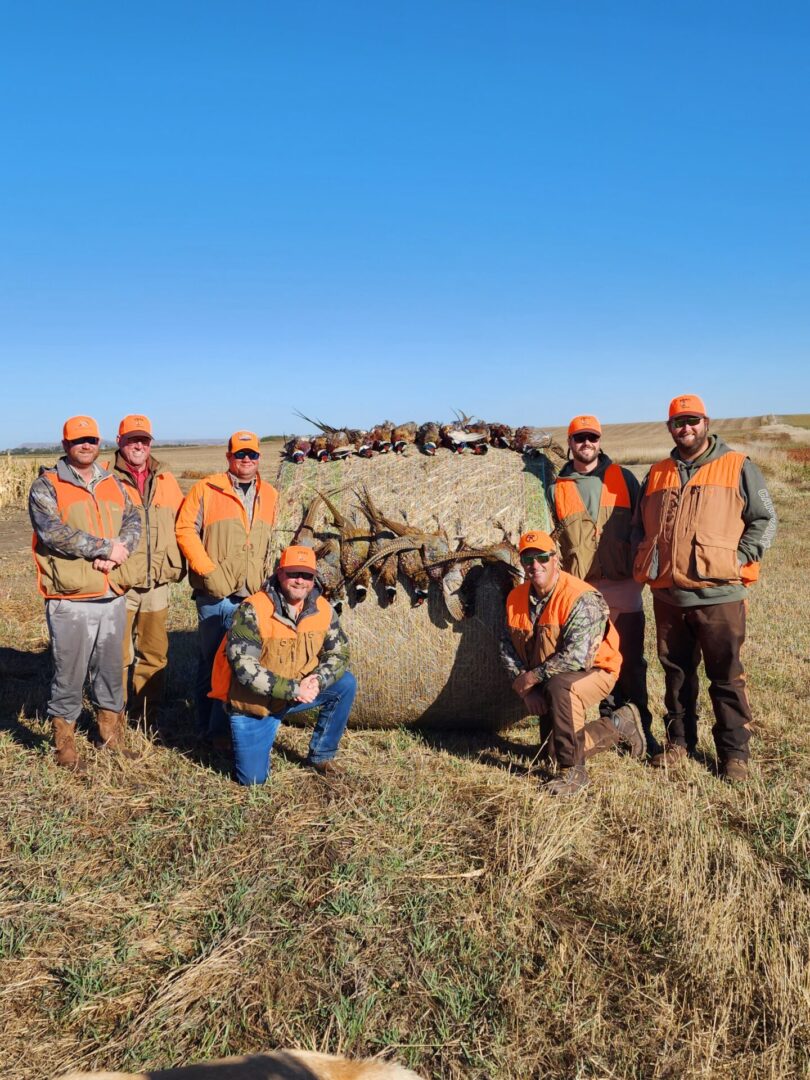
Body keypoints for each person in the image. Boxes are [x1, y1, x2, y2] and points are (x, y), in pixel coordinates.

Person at [633, 394, 777, 781]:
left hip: (720, 595)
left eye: (693, 420)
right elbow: (638, 525)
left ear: (706, 422)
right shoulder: (657, 472)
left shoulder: (738, 466)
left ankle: (734, 755)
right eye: (679, 422)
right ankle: (680, 742)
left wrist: (740, 558)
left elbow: (765, 519)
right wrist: (644, 558)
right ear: (669, 428)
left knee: (726, 675)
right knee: (676, 673)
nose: (686, 428)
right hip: (668, 596)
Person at [29, 415, 142, 770]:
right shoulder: (46, 486)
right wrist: (103, 548)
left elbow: (133, 521)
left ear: (99, 443)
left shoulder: (115, 483)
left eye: (91, 439)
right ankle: (64, 743)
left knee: (111, 671)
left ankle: (110, 735)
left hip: (112, 593)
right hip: (71, 598)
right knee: (70, 673)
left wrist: (120, 549)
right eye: (79, 441)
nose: (86, 445)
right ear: (65, 446)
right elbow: (53, 532)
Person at [499, 530, 645, 796]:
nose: (535, 565)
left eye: (542, 557)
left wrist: (530, 679)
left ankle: (573, 772)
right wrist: (526, 688)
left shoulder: (581, 596)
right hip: (548, 677)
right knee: (549, 753)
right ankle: (618, 725)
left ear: (556, 559)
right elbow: (506, 646)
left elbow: (577, 657)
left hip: (596, 670)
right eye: (528, 560)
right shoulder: (515, 598)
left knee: (559, 689)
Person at [548, 414, 659, 755]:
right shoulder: (555, 486)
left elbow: (645, 526)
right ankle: (608, 725)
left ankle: (642, 728)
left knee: (630, 662)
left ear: (599, 440)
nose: (586, 443)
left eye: (592, 437)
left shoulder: (624, 478)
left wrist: (642, 567)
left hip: (624, 585)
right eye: (579, 438)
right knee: (592, 663)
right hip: (581, 592)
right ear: (569, 443)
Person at [210, 544, 356, 785]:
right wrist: (295, 689)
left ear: (314, 578)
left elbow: (339, 653)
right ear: (279, 573)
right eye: (293, 573)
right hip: (254, 705)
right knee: (252, 781)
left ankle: (322, 754)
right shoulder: (252, 609)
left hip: (294, 694)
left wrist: (318, 679)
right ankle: (233, 731)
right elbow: (245, 669)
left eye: (307, 575)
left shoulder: (323, 609)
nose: (300, 581)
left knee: (345, 683)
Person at [175, 431, 278, 743]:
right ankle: (206, 728)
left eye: (252, 455)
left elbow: (273, 540)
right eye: (240, 455)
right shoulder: (206, 489)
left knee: (243, 661)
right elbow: (184, 530)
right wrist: (208, 571)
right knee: (212, 661)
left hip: (252, 594)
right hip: (215, 593)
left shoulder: (270, 494)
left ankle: (232, 727)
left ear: (259, 457)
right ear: (229, 457)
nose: (246, 460)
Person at [111, 414, 186, 724]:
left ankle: (147, 713)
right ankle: (114, 712)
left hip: (157, 581)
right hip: (120, 581)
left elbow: (183, 524)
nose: (138, 445)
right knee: (117, 654)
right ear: (120, 443)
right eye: (132, 439)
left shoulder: (166, 479)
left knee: (154, 652)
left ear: (150, 443)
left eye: (144, 439)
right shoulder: (105, 479)